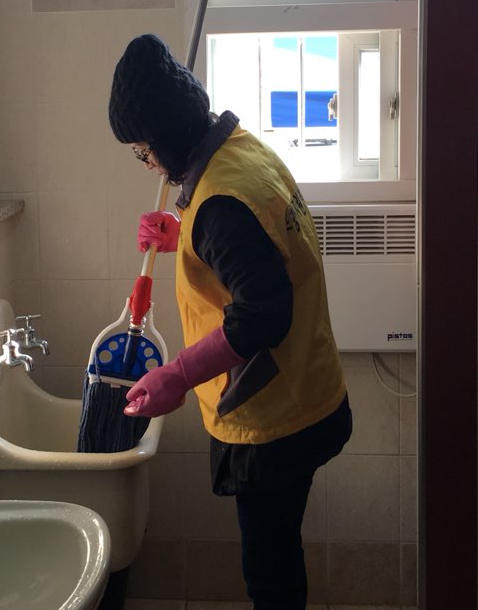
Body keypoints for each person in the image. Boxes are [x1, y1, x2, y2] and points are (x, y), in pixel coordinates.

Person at [108, 33, 352, 610]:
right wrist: (185, 235)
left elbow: (261, 316)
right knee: (278, 555)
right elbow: (262, 248)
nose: (148, 163)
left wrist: (176, 376)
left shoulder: (219, 204)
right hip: (306, 386)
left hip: (273, 415)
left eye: (143, 151)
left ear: (167, 138)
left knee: (270, 575)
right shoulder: (242, 152)